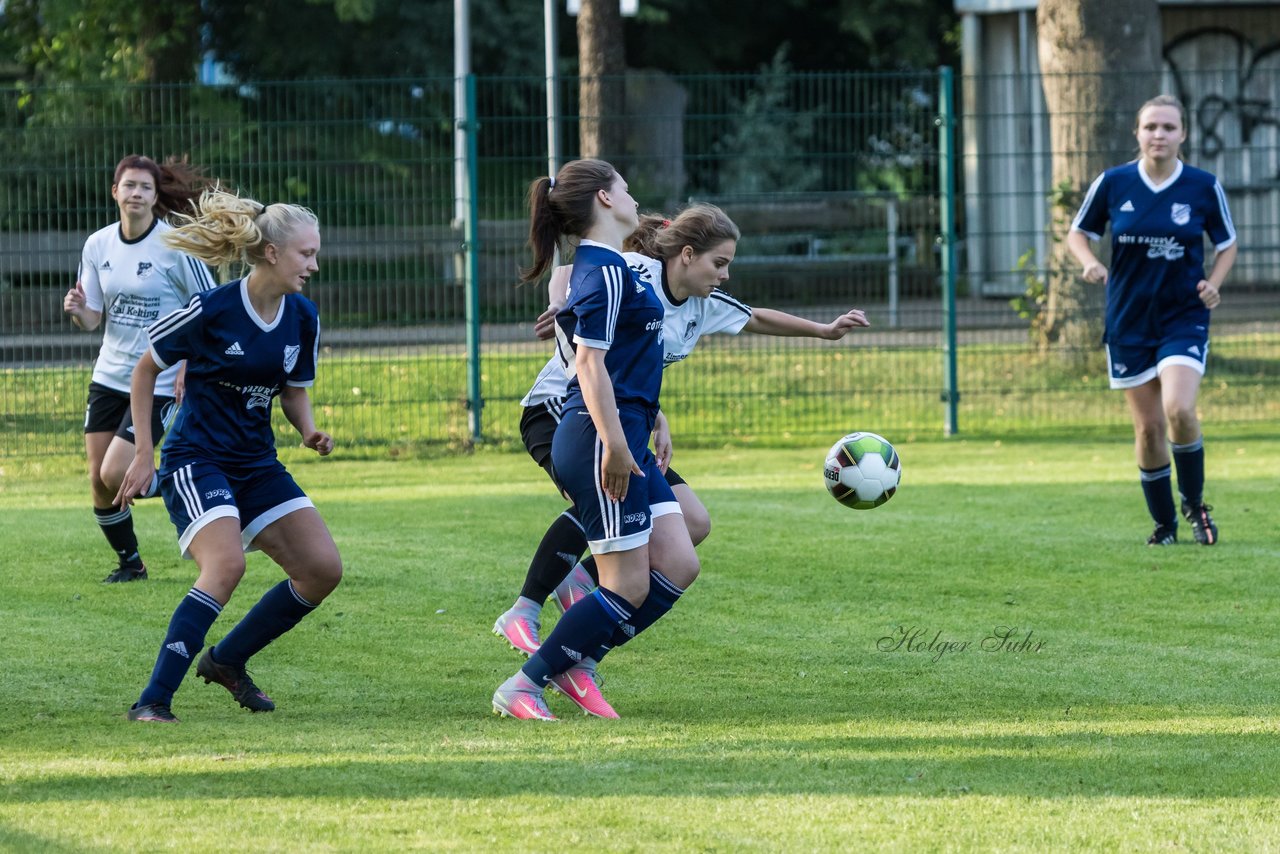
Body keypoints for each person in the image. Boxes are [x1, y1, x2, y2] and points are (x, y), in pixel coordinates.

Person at [494, 205, 870, 675]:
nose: (727, 275)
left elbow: (756, 318)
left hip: (623, 418)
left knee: (691, 522)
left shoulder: (700, 304)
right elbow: (569, 271)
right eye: (720, 263)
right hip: (561, 407)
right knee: (605, 497)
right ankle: (527, 608)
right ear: (688, 255)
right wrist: (559, 305)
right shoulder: (635, 271)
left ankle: (579, 587)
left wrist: (823, 330)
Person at [113, 189, 342, 723]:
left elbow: (292, 389)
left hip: (257, 464)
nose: (314, 264)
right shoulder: (213, 309)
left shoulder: (302, 317)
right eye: (306, 254)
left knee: (321, 569)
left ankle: (227, 660)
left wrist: (308, 430)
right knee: (225, 564)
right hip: (197, 459)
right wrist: (144, 451)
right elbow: (145, 369)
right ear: (271, 254)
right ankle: (153, 700)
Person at [492, 158, 700, 721]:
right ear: (606, 200)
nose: (635, 197)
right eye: (626, 189)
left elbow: (620, 351)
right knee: (627, 583)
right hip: (598, 440)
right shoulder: (603, 271)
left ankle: (577, 660)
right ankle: (526, 684)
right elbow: (588, 364)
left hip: (625, 431)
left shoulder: (611, 266)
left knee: (680, 561)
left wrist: (649, 417)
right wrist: (613, 443)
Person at [1067, 94, 1237, 546]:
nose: (1158, 135)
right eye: (1150, 127)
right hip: (1128, 320)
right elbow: (1078, 233)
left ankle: (1195, 503)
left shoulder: (1202, 186)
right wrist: (1088, 262)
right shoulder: (1114, 182)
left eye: (1167, 127)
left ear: (1183, 134)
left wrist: (1214, 283)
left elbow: (1227, 243)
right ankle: (1164, 526)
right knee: (1148, 428)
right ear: (1137, 134)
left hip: (1184, 316)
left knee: (1179, 409)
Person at [63, 155, 218, 583]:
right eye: (129, 185)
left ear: (154, 197)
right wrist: (79, 310)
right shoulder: (98, 245)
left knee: (117, 473)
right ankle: (131, 563)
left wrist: (188, 362)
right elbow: (94, 318)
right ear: (115, 192)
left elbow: (207, 309)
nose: (136, 193)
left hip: (159, 379)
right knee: (100, 481)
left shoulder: (175, 246)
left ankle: (191, 485)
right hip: (108, 377)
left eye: (145, 187)